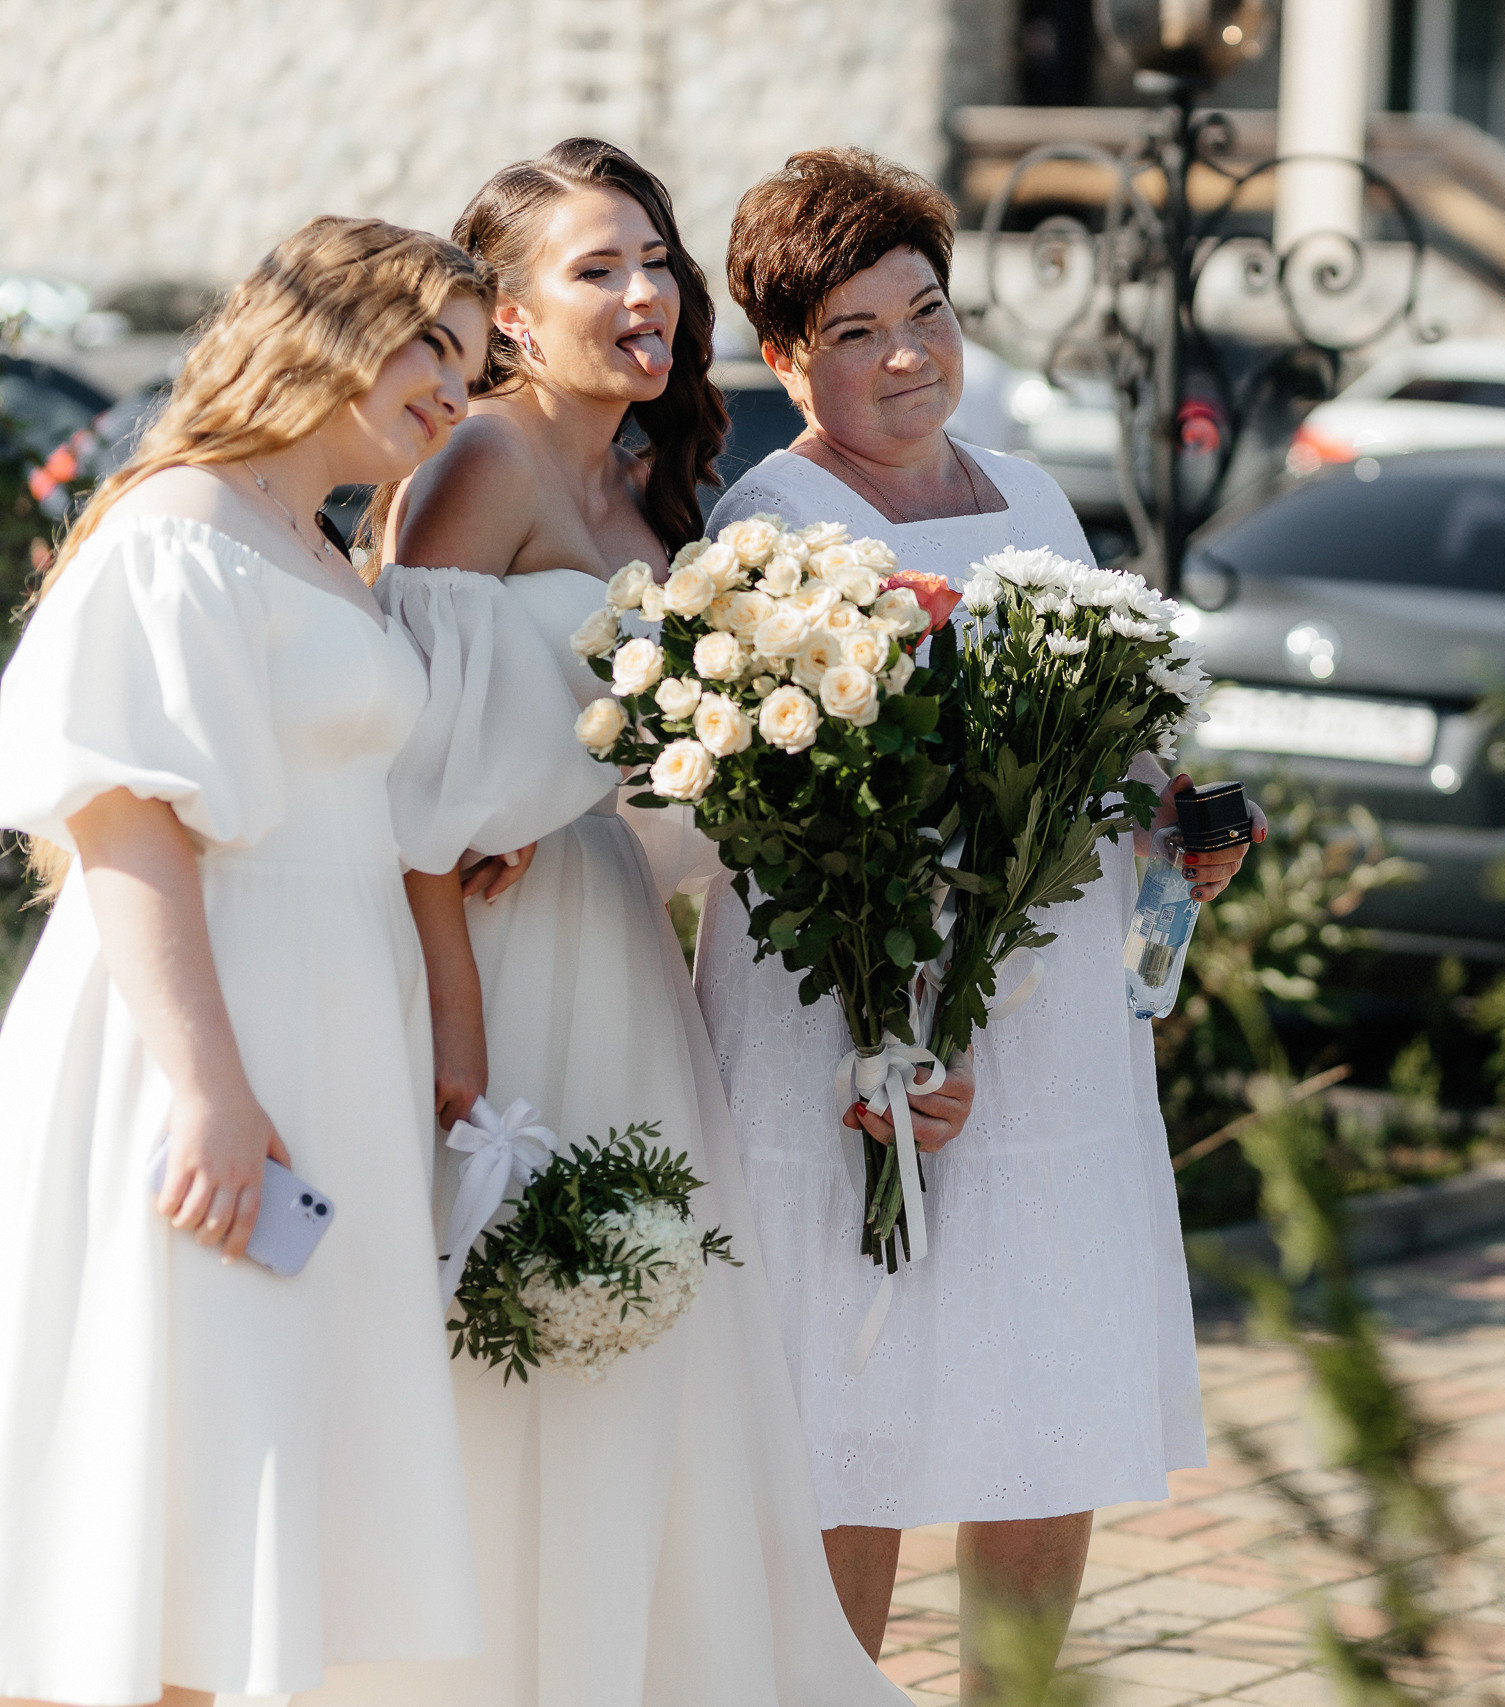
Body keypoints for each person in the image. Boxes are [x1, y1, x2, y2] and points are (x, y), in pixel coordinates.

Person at [307, 140, 895, 1707]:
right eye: (597, 269)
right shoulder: (482, 463)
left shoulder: (641, 479)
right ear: (505, 314)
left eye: (656, 260)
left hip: (616, 932)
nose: (645, 294)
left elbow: (612, 746)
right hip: (493, 962)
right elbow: (402, 757)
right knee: (514, 1315)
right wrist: (456, 1025)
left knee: (645, 1309)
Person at [693, 146, 1260, 1695]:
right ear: (785, 354)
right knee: (852, 1399)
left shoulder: (1035, 494)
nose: (906, 355)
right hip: (860, 1015)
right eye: (859, 328)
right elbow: (762, 816)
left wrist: (1175, 823)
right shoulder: (772, 521)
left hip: (1050, 1011)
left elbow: (1109, 743)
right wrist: (890, 1016)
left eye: (926, 311)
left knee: (1045, 1377)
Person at [0, 218, 491, 1707]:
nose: (452, 393)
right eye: (430, 346)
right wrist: (209, 1086)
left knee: (242, 1476)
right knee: (168, 1457)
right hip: (209, 1031)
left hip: (330, 1026)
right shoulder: (177, 527)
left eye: (469, 367)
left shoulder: (320, 545)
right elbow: (121, 812)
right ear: (328, 326)